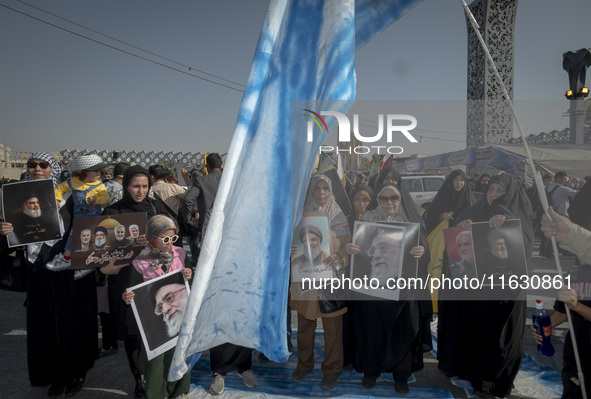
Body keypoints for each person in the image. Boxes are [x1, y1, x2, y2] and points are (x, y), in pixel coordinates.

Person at [1, 152, 97, 397]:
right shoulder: (15, 198)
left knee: (71, 320)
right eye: (31, 165)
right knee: (44, 324)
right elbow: (12, 240)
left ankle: (75, 371)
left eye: (43, 165)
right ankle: (55, 374)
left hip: (67, 269)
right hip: (38, 270)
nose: (37, 169)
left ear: (53, 169)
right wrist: (5, 231)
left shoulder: (70, 198)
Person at [437, 174, 533, 398]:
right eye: (491, 190)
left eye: (500, 191)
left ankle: (495, 380)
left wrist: (506, 222)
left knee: (500, 337)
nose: (494, 196)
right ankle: (474, 376)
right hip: (477, 291)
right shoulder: (475, 211)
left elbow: (524, 249)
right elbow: (455, 247)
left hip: (505, 293)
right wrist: (462, 225)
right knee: (475, 331)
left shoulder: (518, 216)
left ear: (510, 194)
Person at [346, 179, 431, 395]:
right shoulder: (368, 219)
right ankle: (371, 371)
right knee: (372, 328)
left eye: (393, 197)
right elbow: (359, 249)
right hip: (372, 288)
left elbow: (423, 251)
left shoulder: (411, 220)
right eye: (383, 197)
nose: (389, 202)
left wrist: (421, 252)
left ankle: (400, 375)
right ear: (378, 200)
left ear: (400, 199)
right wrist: (351, 248)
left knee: (401, 329)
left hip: (402, 288)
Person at [100, 165, 171, 398]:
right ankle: (139, 378)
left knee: (155, 327)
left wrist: (152, 241)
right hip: (124, 279)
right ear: (125, 186)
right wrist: (104, 268)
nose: (140, 191)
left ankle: (157, 376)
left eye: (144, 186)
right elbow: (100, 250)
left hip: (153, 277)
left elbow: (173, 237)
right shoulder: (112, 211)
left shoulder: (156, 207)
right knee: (132, 330)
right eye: (135, 186)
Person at [290, 174, 350, 391]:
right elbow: (292, 241)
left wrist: (341, 256)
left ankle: (332, 370)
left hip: (330, 280)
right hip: (305, 278)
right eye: (317, 188)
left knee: (333, 328)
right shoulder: (300, 216)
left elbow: (347, 247)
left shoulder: (339, 217)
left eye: (325, 188)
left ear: (331, 191)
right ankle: (304, 365)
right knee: (305, 326)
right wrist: (292, 250)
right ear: (311, 191)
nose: (321, 192)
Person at [123, 215, 193, 399]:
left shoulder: (181, 254)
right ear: (152, 238)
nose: (170, 243)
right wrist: (127, 296)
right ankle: (156, 394)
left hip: (178, 320)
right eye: (165, 239)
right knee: (155, 362)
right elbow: (132, 288)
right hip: (153, 327)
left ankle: (178, 391)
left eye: (173, 238)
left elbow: (188, 282)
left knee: (177, 357)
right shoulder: (140, 262)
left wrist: (189, 273)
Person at [533, 207, 591, 399]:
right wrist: (544, 327)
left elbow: (575, 306)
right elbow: (562, 311)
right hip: (576, 355)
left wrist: (578, 306)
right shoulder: (577, 272)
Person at [45, 154, 111, 273]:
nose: (99, 174)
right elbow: (59, 188)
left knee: (79, 236)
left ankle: (67, 258)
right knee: (82, 239)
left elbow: (106, 199)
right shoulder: (72, 182)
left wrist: (96, 200)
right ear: (83, 172)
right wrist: (57, 199)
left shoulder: (100, 186)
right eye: (96, 171)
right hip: (79, 218)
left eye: (100, 171)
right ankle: (85, 264)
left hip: (93, 219)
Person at [180, 153, 223, 265]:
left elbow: (187, 200)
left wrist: (188, 219)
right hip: (229, 227)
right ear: (221, 164)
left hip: (208, 228)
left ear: (207, 166)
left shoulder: (201, 181)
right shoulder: (230, 179)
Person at [423, 170, 476, 235]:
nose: (459, 182)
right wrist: (442, 216)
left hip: (464, 235)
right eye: (456, 179)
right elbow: (431, 214)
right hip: (445, 236)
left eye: (462, 180)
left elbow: (475, 215)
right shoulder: (443, 195)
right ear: (451, 181)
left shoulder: (468, 197)